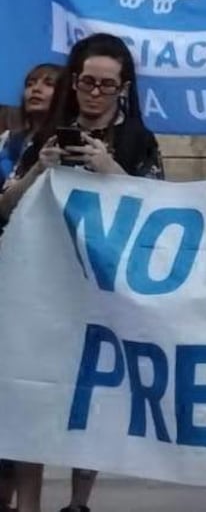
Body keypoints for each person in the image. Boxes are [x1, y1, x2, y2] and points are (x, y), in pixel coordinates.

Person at [1, 34, 162, 512]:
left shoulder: (137, 139)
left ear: (123, 88)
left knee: (92, 399)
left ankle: (78, 502)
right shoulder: (46, 133)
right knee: (34, 396)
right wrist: (38, 170)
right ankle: (28, 503)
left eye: (106, 85)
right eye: (87, 81)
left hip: (101, 288)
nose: (94, 92)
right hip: (42, 288)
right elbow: (6, 206)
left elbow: (161, 208)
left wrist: (108, 166)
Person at [0, 64, 61, 184]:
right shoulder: (12, 139)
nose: (36, 89)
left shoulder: (59, 143)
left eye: (49, 84)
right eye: (30, 84)